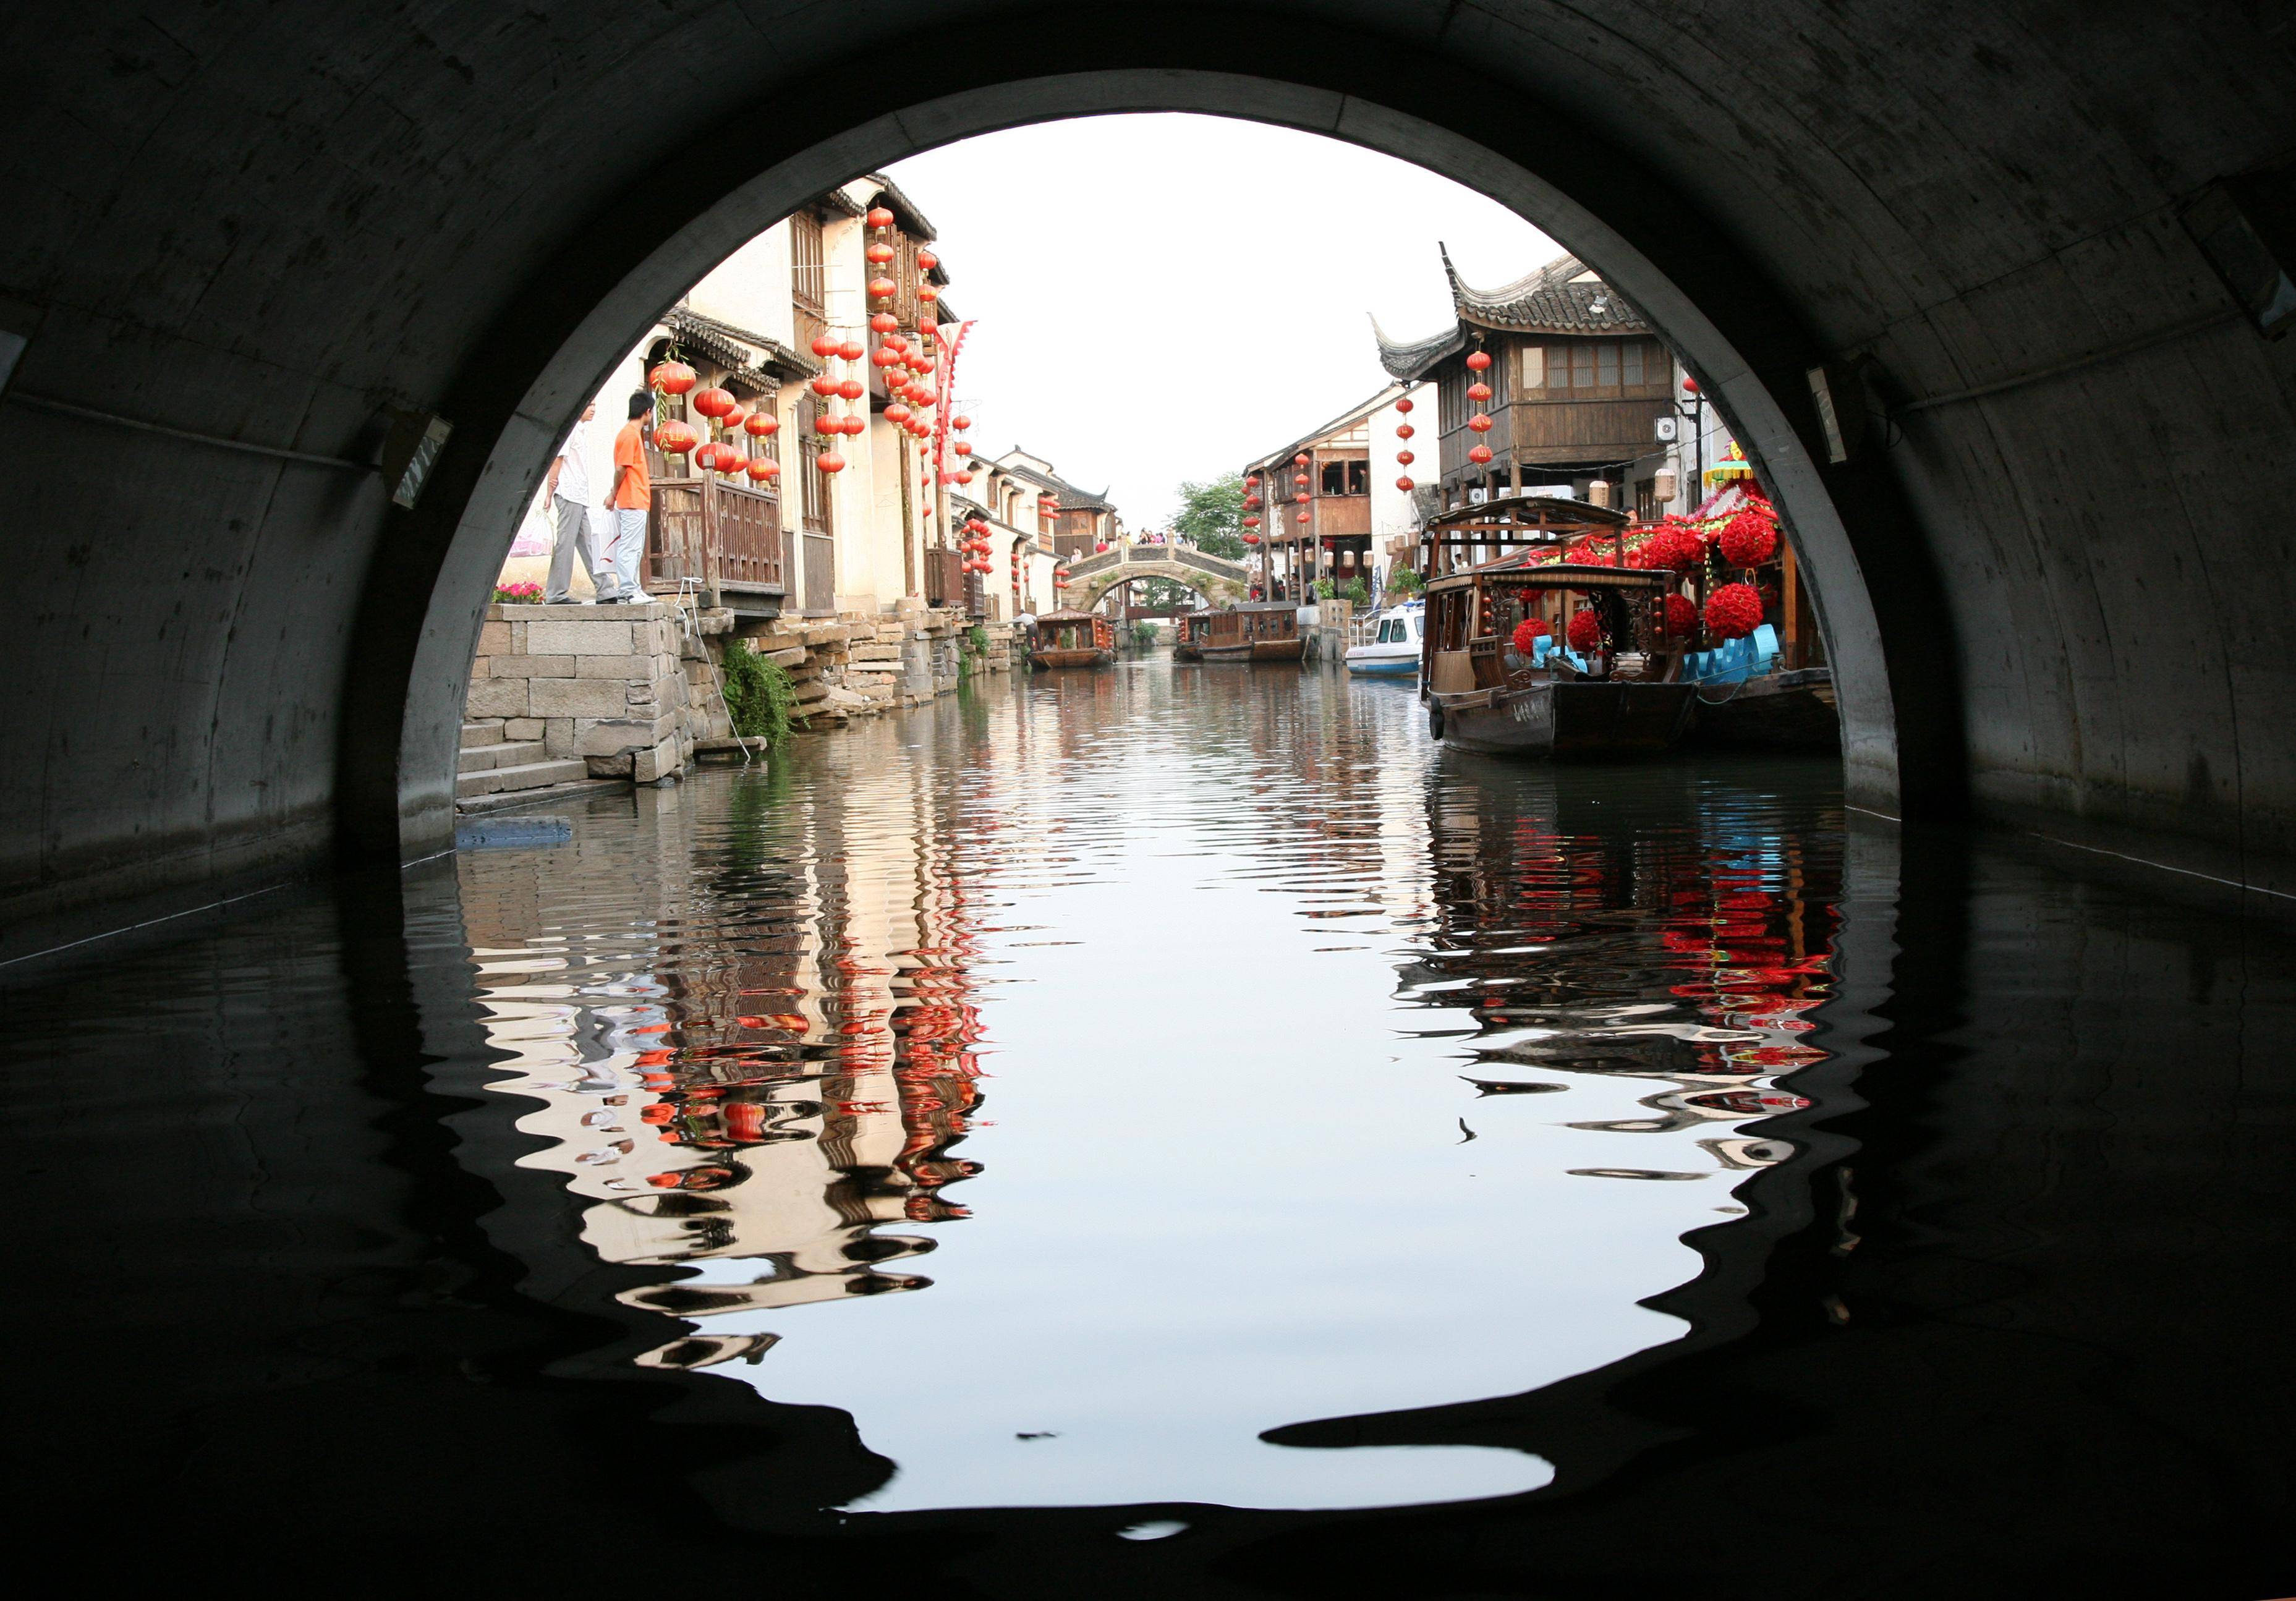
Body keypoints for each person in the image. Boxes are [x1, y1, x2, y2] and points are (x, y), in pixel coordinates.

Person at [544, 402, 617, 603]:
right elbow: (557, 461)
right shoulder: (571, 429)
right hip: (568, 493)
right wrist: (549, 494)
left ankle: (606, 590)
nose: (594, 409)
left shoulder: (581, 430)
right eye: (590, 405)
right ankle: (556, 594)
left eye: (595, 404)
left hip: (579, 495)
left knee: (589, 543)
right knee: (565, 545)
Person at [606, 391, 652, 605]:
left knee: (634, 547)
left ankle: (632, 588)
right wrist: (613, 494)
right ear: (647, 412)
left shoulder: (632, 434)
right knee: (629, 546)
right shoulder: (630, 435)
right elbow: (621, 468)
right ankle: (628, 590)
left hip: (637, 498)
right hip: (632, 497)